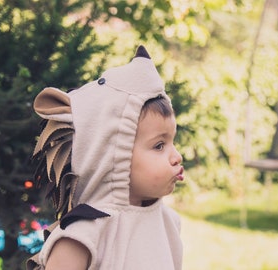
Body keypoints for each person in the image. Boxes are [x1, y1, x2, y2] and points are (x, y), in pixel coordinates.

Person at [27, 45, 184, 270]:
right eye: (159, 145)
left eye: (172, 142)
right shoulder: (82, 234)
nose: (176, 156)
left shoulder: (168, 222)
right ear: (110, 156)